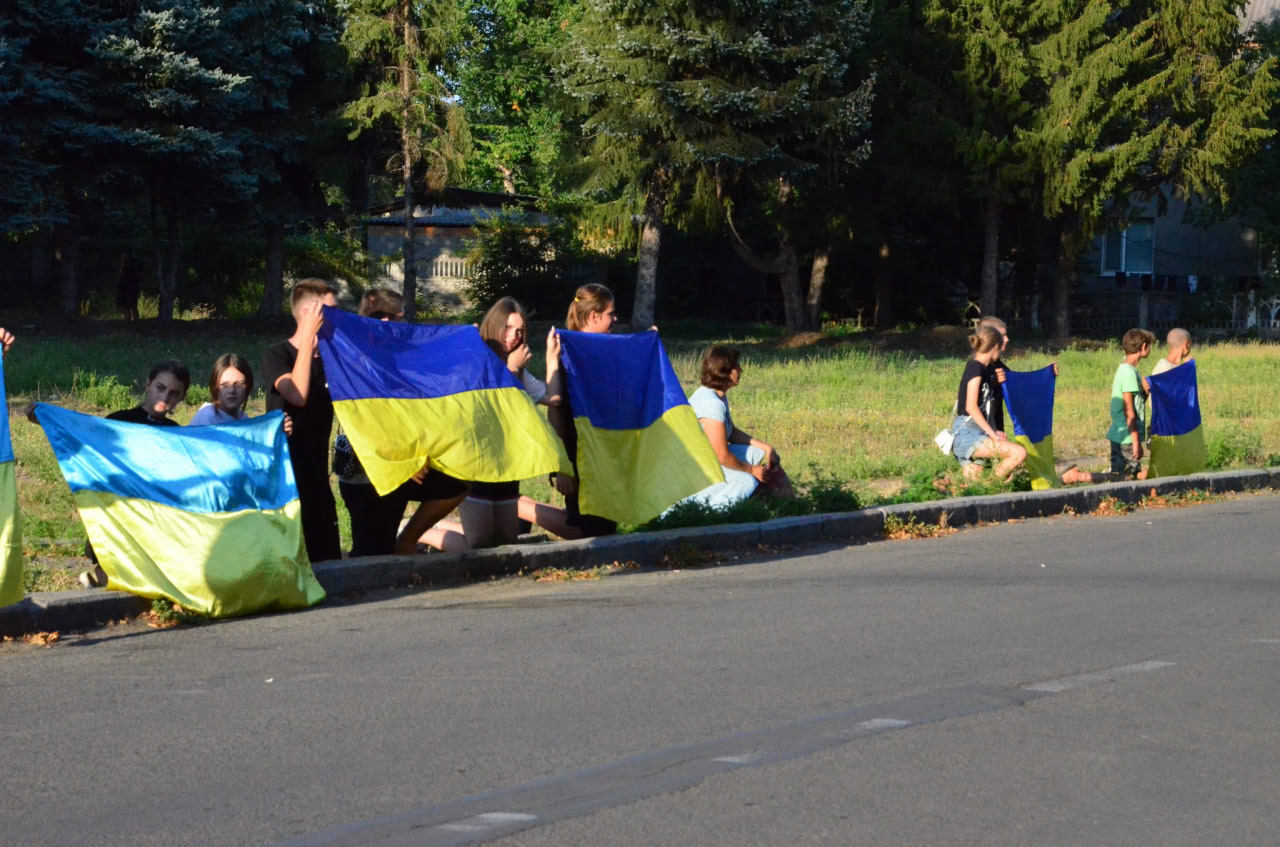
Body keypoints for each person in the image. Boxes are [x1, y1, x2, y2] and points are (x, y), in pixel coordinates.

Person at [25, 359, 190, 587]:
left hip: (155, 518)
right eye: (161, 388)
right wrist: (48, 420)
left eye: (174, 393)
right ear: (148, 385)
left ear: (182, 397)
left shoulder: (178, 434)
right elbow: (82, 436)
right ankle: (102, 577)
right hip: (118, 512)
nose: (165, 397)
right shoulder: (119, 421)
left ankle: (103, 581)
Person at [331, 288, 470, 556]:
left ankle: (406, 541)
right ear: (384, 322)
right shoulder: (356, 361)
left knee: (456, 485)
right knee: (371, 555)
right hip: (366, 475)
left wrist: (461, 344)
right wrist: (406, 461)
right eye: (401, 318)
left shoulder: (397, 359)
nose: (405, 325)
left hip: (401, 471)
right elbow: (366, 425)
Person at [436, 297, 563, 548]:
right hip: (475, 463)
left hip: (506, 464)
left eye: (520, 330)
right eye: (508, 328)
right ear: (494, 326)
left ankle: (428, 529)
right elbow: (490, 407)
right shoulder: (474, 358)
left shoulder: (517, 367)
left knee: (504, 543)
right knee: (480, 545)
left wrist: (552, 358)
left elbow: (554, 399)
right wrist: (512, 372)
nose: (514, 336)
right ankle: (419, 531)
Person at [261, 279, 342, 563]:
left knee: (329, 561)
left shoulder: (335, 360)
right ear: (309, 313)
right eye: (330, 311)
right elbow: (297, 394)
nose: (337, 317)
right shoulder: (276, 355)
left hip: (318, 481)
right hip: (286, 482)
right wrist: (308, 338)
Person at [537, 284, 620, 539]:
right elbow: (556, 410)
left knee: (605, 526)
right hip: (576, 454)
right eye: (610, 313)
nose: (615, 319)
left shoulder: (604, 351)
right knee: (587, 531)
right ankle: (520, 507)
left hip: (601, 453)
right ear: (594, 316)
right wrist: (563, 466)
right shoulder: (565, 353)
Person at [680, 345, 793, 508]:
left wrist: (767, 448)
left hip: (706, 458)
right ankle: (712, 511)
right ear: (724, 371)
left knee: (757, 453)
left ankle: (778, 504)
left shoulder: (717, 395)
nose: (741, 370)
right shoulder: (711, 404)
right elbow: (721, 456)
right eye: (736, 366)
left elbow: (731, 433)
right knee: (746, 481)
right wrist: (752, 470)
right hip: (696, 468)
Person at [949, 326, 1026, 480]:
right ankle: (993, 484)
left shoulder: (984, 369)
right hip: (967, 433)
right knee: (1018, 453)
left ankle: (940, 487)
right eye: (1000, 347)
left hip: (973, 433)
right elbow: (971, 406)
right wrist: (993, 435)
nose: (1001, 351)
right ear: (995, 346)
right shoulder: (975, 368)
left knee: (972, 492)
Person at [1106, 328, 1154, 480]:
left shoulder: (1129, 370)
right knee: (1127, 480)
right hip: (1126, 437)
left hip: (1122, 435)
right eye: (1150, 346)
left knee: (1122, 478)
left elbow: (1136, 403)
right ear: (1144, 346)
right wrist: (1135, 441)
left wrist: (1144, 393)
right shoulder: (1128, 372)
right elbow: (1128, 409)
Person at [189, 354, 254, 425]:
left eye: (239, 384)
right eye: (224, 385)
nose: (232, 390)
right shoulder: (207, 419)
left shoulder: (243, 418)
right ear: (214, 386)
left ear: (248, 387)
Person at [117, 252, 141, 322]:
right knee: (125, 305)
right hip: (124, 286)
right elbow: (121, 274)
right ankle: (127, 319)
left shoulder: (134, 263)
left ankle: (135, 319)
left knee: (132, 304)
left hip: (132, 286)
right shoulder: (124, 264)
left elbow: (138, 274)